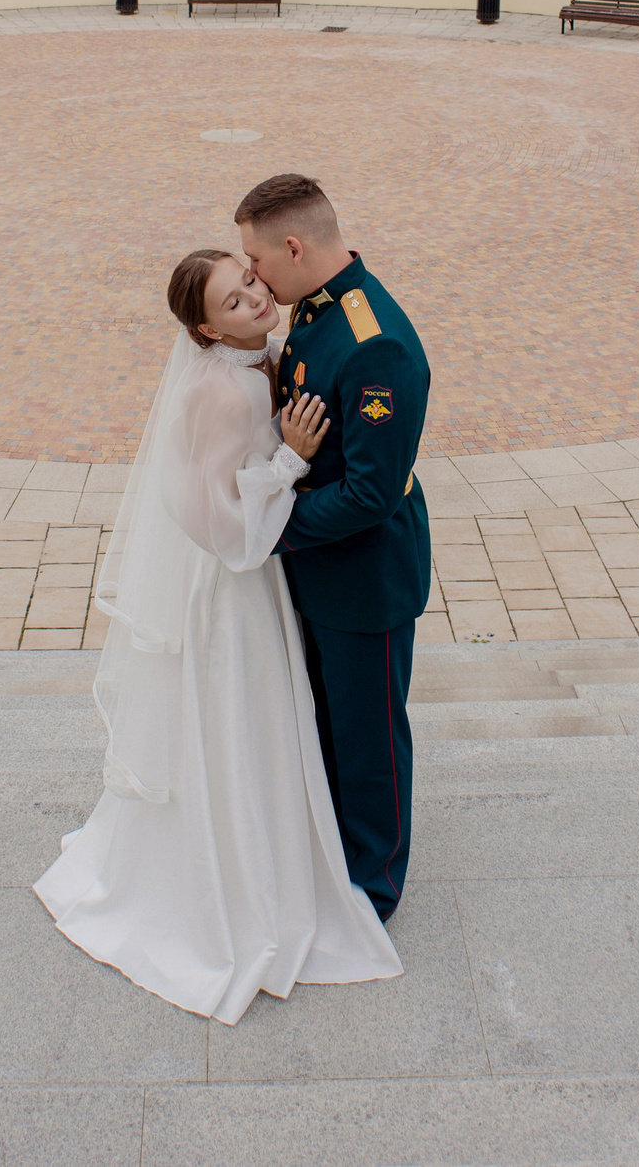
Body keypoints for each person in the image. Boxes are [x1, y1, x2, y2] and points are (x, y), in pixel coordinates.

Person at [34, 248, 403, 1023]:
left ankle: (275, 849)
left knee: (267, 719)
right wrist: (287, 464)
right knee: (243, 719)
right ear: (204, 328)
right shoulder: (223, 395)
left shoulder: (263, 356)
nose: (255, 302)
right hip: (231, 581)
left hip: (257, 570)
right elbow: (209, 518)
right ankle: (237, 878)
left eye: (251, 284)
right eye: (234, 304)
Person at [233, 173, 434, 925]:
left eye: (256, 258)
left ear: (293, 245)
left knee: (367, 740)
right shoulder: (316, 313)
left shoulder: (370, 342)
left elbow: (371, 495)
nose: (252, 275)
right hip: (323, 573)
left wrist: (270, 527)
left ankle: (372, 892)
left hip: (363, 579)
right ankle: (335, 858)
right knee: (326, 724)